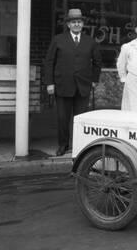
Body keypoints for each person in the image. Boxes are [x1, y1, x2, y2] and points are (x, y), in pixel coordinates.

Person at [44, 8, 102, 156]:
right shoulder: (58, 40)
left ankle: (79, 146)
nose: (76, 24)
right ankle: (63, 145)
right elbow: (49, 62)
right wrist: (50, 83)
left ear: (82, 25)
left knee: (80, 119)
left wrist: (94, 80)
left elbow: (97, 62)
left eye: (79, 22)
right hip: (63, 85)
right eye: (73, 22)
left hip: (83, 86)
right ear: (68, 25)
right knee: (62, 118)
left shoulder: (90, 42)